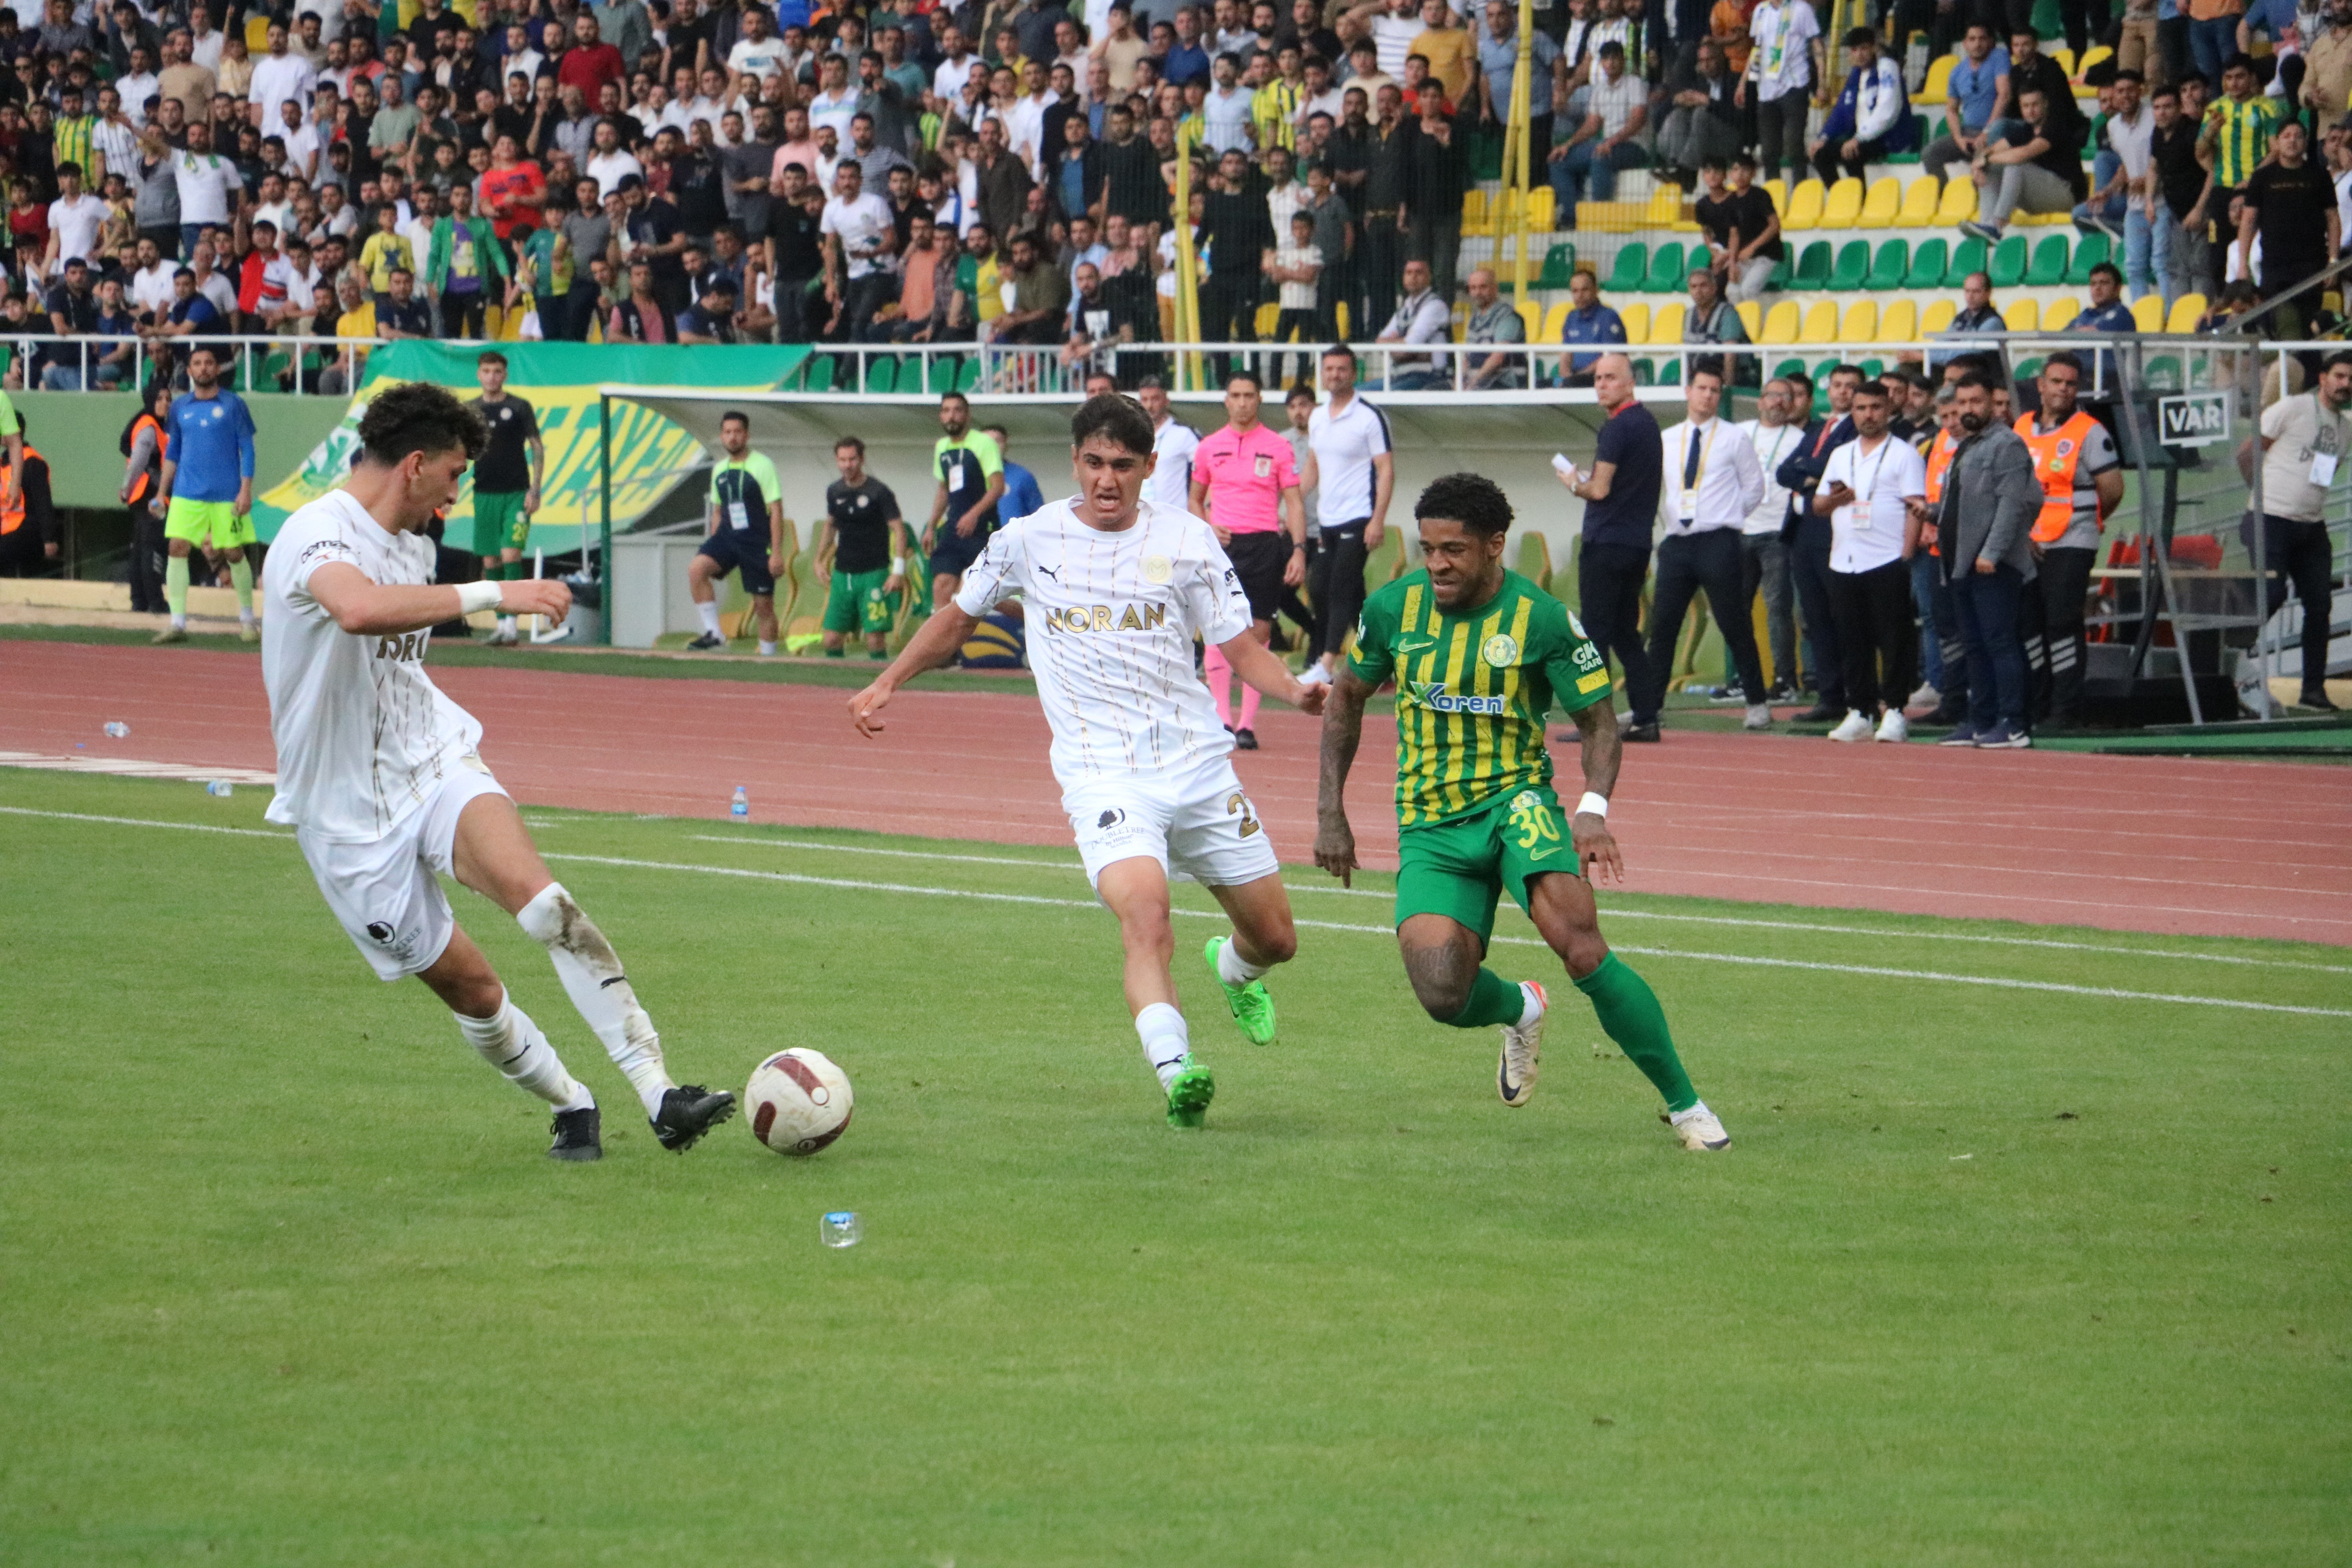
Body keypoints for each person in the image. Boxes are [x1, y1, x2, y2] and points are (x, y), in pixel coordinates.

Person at [260, 380, 735, 1161]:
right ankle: (570, 1101)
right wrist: (496, 593)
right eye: (452, 475)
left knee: (547, 904)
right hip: (343, 813)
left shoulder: (413, 545)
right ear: (413, 464)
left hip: (431, 758)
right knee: (475, 991)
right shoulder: (317, 532)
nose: (456, 494)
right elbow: (355, 609)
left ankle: (661, 1093)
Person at [850, 393, 1327, 1131]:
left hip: (1199, 767)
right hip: (1103, 773)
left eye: (1124, 466)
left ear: (1150, 468)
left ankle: (1234, 969)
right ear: (1076, 461)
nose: (1108, 480)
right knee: (1146, 915)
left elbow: (1240, 649)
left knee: (1277, 939)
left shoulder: (1192, 540)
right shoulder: (1027, 540)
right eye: (1096, 463)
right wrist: (888, 679)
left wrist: (1294, 691)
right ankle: (1177, 1071)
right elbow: (956, 620)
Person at [1313, 472, 1730, 1149]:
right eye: (1428, 549)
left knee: (1582, 946)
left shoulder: (1540, 619)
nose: (1438, 565)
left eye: (1454, 550)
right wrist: (1330, 813)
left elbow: (1598, 723)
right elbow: (1346, 698)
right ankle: (1520, 1008)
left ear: (1495, 546)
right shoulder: (1393, 609)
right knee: (1443, 995)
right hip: (1431, 821)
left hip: (1518, 803)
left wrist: (1591, 810)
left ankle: (1687, 1107)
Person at [1918, 370, 2041, 748]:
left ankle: (2014, 723)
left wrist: (1993, 552)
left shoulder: (2007, 445)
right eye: (1963, 403)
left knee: (2000, 642)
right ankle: (1981, 719)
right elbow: (1969, 505)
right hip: (1960, 563)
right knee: (1975, 645)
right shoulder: (1967, 446)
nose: (1968, 409)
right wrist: (1934, 513)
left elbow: (2013, 505)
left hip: (1993, 565)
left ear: (1992, 402)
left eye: (1976, 402)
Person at [1647, 362, 1771, 730]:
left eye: (1715, 391)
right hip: (1678, 542)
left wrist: (1728, 516)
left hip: (1719, 539)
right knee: (1664, 625)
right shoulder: (1668, 438)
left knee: (1734, 622)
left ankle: (1757, 702)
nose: (1708, 396)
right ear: (1688, 392)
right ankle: (1649, 708)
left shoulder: (1734, 437)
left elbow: (1755, 489)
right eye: (1702, 389)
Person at [1190, 370, 1308, 751]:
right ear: (1226, 400)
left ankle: (1247, 724)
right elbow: (1195, 499)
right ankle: (1223, 719)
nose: (1242, 402)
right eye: (1236, 395)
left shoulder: (1278, 447)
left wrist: (1299, 550)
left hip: (1264, 545)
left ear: (1259, 400)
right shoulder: (1209, 446)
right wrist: (1209, 526)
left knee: (1258, 632)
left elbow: (1293, 502)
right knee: (1217, 627)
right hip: (1223, 548)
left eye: (1249, 395)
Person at [1553, 352, 1662, 740]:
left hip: (1607, 541)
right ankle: (1647, 716)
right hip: (1636, 543)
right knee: (1623, 632)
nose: (1602, 384)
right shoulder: (1647, 424)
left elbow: (1599, 489)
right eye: (1598, 378)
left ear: (1630, 382)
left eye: (1611, 378)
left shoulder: (1617, 428)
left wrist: (1572, 483)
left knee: (1596, 633)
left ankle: (1595, 722)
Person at [2013, 352, 2122, 730]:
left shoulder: (2090, 432)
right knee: (2029, 624)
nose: (2063, 389)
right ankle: (2035, 705)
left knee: (2061, 622)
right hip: (2028, 542)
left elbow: (2112, 489)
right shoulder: (2022, 427)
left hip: (2072, 539)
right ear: (2041, 386)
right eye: (2056, 382)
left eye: (2071, 384)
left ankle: (2064, 710)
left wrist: (2086, 521)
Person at [1814, 378, 1926, 743]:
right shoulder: (1840, 454)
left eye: (1876, 408)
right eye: (1861, 408)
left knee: (1893, 639)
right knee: (1851, 639)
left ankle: (1894, 709)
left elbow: (1915, 508)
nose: (1868, 415)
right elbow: (1818, 505)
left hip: (1886, 558)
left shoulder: (1904, 454)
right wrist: (1836, 501)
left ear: (1889, 410)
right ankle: (1859, 710)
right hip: (1844, 558)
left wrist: (1906, 555)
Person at [2239, 350, 2351, 711]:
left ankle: (2313, 690)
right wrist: (2258, 496)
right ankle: (2230, 654)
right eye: (2339, 376)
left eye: (2350, 379)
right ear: (2323, 378)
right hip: (2270, 518)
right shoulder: (2292, 408)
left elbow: (2324, 475)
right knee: (2269, 594)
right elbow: (2248, 451)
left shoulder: (2345, 429)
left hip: (2310, 526)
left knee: (2320, 605)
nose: (2345, 384)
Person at [1301, 344, 1394, 683]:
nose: (1335, 375)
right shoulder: (1317, 416)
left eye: (1341, 369)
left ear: (1354, 374)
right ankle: (1383, 662)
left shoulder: (1369, 417)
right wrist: (1293, 502)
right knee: (1330, 591)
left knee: (1339, 588)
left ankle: (1326, 665)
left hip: (1359, 517)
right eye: (1329, 370)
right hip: (1327, 519)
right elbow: (1313, 465)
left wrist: (1377, 520)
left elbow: (1385, 470)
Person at [152, 345, 257, 645]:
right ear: (189, 371)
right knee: (177, 548)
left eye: (209, 363)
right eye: (197, 364)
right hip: (187, 494)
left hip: (227, 494)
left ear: (217, 369)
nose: (203, 368)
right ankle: (178, 623)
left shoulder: (234, 405)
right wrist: (162, 493)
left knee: (234, 553)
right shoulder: (179, 407)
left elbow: (247, 448)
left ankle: (248, 620)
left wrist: (245, 489)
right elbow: (173, 452)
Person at [686, 410, 786, 655]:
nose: (733, 438)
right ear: (722, 436)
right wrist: (713, 539)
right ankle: (714, 632)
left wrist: (777, 553)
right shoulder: (719, 468)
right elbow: (718, 510)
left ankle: (768, 658)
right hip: (728, 538)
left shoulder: (762, 465)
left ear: (747, 435)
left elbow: (776, 510)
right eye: (728, 432)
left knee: (763, 607)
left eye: (738, 432)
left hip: (756, 541)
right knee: (697, 569)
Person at [466, 350, 544, 647]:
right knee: (491, 560)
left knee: (511, 554)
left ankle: (513, 625)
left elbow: (537, 447)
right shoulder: (471, 410)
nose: (492, 377)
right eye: (486, 371)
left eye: (497, 371)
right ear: (479, 375)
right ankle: (502, 625)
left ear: (505, 374)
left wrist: (535, 489)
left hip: (516, 493)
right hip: (484, 493)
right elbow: (458, 449)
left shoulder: (520, 407)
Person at [1737, 375, 1803, 702]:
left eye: (1785, 396)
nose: (1778, 402)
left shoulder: (1799, 439)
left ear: (1793, 404)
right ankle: (1742, 678)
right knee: (1735, 608)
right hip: (1741, 528)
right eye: (1772, 395)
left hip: (1777, 531)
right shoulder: (1741, 433)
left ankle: (1784, 679)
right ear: (1760, 401)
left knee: (1778, 608)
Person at [815, 434, 907, 659]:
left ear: (862, 460)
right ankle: (835, 688)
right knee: (831, 638)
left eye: (852, 459)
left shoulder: (879, 492)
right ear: (837, 461)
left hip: (874, 574)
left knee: (875, 638)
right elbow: (831, 526)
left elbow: (899, 530)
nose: (848, 465)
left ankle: (881, 686)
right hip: (843, 574)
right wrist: (819, 560)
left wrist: (898, 571)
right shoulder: (834, 491)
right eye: (843, 460)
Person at [925, 391, 1007, 612]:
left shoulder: (983, 444)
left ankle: (1027, 619)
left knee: (981, 594)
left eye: (957, 410)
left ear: (968, 415)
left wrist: (974, 515)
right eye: (946, 411)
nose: (952, 416)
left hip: (982, 529)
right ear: (941, 416)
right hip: (954, 528)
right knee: (941, 586)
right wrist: (931, 526)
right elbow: (944, 488)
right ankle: (948, 648)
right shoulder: (941, 447)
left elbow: (998, 487)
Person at [120, 380, 171, 616]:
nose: (165, 404)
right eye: (160, 399)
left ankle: (139, 600)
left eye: (168, 399)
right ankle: (156, 602)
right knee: (153, 548)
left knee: (140, 548)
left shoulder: (153, 425)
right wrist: (126, 488)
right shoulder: (150, 427)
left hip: (143, 496)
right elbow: (139, 460)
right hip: (150, 496)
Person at [1138, 375, 1200, 514]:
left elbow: (1206, 472)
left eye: (1155, 399)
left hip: (1175, 518)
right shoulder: (1133, 435)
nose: (1149, 406)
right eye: (1145, 400)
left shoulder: (1184, 434)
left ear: (1166, 400)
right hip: (1141, 519)